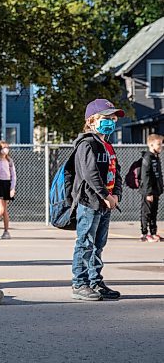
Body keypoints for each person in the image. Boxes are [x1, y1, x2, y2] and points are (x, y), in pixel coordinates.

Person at [71, 98, 124, 301]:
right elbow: (90, 173)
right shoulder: (87, 144)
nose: (111, 121)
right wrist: (105, 195)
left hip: (106, 204)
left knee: (98, 245)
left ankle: (95, 281)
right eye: (106, 117)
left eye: (113, 118)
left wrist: (116, 194)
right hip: (90, 202)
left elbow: (116, 172)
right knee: (85, 242)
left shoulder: (107, 145)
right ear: (92, 120)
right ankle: (80, 283)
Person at [139, 134, 163, 243]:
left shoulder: (156, 157)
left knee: (154, 213)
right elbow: (145, 175)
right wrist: (148, 193)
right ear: (151, 144)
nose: (161, 146)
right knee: (146, 212)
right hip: (148, 191)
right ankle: (144, 234)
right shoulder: (147, 157)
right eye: (158, 144)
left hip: (155, 191)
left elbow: (157, 175)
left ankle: (153, 233)